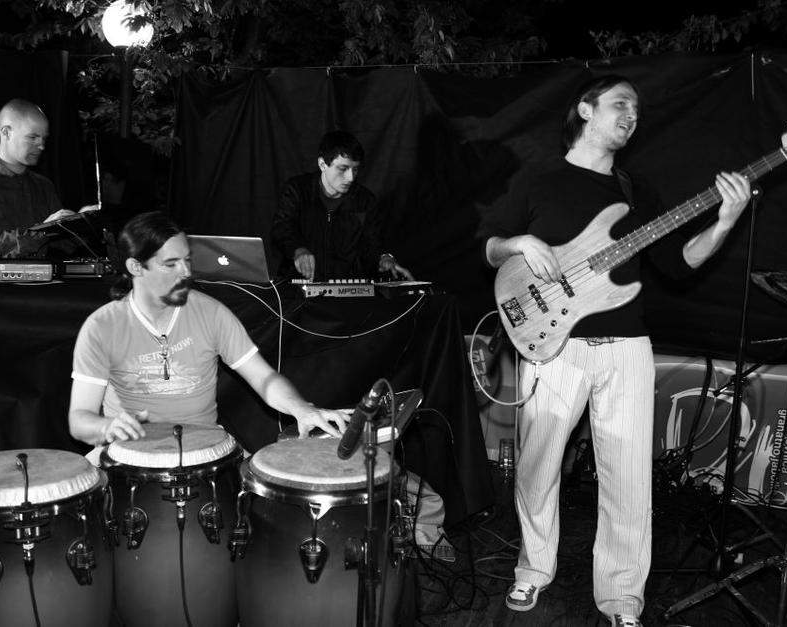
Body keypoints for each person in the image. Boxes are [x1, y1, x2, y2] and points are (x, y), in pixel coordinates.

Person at [480, 75, 751, 626]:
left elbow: (679, 264)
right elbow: (490, 248)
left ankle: (623, 597)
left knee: (628, 480)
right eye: (621, 103)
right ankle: (533, 571)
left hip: (627, 347)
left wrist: (725, 221)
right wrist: (521, 242)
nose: (632, 115)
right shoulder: (539, 179)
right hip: (555, 347)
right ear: (585, 109)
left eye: (637, 110)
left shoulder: (636, 191)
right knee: (537, 468)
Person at [69, 210, 349, 449]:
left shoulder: (211, 313)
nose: (186, 273)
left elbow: (263, 378)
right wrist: (106, 427)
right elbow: (80, 420)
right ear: (135, 267)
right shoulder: (101, 327)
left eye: (187, 260)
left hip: (204, 451)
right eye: (171, 264)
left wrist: (301, 409)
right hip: (127, 454)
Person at [0, 98, 98, 258]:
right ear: (6, 132)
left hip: (46, 274)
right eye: (33, 137)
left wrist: (81, 222)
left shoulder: (43, 185)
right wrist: (41, 231)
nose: (41, 146)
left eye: (44, 138)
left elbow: (64, 245)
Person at [270, 130, 414, 282]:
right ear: (322, 164)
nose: (350, 177)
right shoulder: (297, 190)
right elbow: (281, 229)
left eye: (355, 169)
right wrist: (298, 249)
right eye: (343, 169)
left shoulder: (365, 200)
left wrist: (384, 258)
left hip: (349, 292)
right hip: (298, 288)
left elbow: (373, 244)